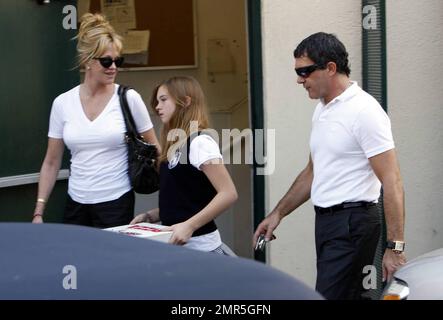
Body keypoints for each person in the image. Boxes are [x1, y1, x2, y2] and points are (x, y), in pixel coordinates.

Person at [253, 32, 406, 300]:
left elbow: (392, 180)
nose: (300, 80)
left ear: (331, 68)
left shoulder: (365, 111)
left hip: (353, 222)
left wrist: (394, 247)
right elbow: (313, 172)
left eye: (305, 71)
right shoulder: (323, 108)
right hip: (327, 221)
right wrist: (278, 214)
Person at [32, 13, 159, 228]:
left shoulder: (129, 99)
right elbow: (51, 161)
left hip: (116, 201)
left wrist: (170, 199)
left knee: (112, 261)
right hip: (76, 202)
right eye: (106, 61)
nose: (113, 67)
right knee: (75, 260)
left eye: (118, 61)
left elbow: (156, 149)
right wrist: (38, 211)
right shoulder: (63, 103)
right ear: (87, 61)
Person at [131, 76, 238, 254]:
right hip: (178, 250)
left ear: (186, 101)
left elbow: (228, 193)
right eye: (157, 101)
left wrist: (189, 226)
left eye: (163, 100)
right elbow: (186, 200)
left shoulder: (200, 142)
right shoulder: (175, 146)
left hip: (203, 251)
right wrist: (151, 216)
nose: (157, 107)